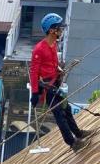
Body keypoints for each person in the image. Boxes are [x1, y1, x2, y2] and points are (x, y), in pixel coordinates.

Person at [29, 13, 92, 151]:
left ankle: (78, 133)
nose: (61, 31)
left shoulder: (53, 44)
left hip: (55, 83)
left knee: (66, 110)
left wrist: (58, 69)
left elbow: (52, 63)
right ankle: (72, 143)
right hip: (48, 88)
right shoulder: (39, 49)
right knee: (59, 114)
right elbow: (34, 72)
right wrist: (35, 93)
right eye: (59, 28)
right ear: (52, 30)